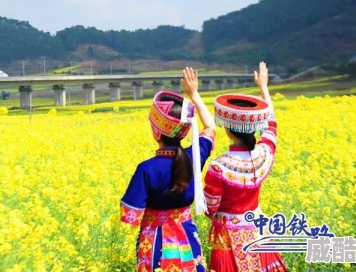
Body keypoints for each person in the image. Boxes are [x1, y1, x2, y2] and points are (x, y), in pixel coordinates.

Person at [120, 68, 216, 272]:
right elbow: (210, 128)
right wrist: (194, 94)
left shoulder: (146, 169)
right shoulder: (194, 156)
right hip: (188, 238)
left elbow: (130, 216)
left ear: (156, 131)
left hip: (155, 243)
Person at [204, 62, 288, 272]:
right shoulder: (263, 154)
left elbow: (210, 207)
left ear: (228, 131)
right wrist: (264, 88)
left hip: (229, 238)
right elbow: (271, 124)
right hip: (258, 231)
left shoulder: (219, 167)